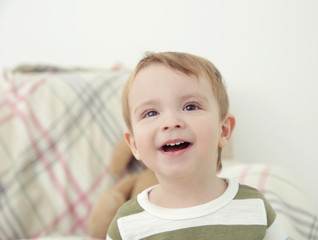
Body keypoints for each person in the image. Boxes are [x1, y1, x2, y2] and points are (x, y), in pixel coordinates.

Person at [106, 51, 287, 240]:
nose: (170, 121)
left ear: (223, 130)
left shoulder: (253, 206)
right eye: (150, 113)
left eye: (190, 107)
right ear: (134, 145)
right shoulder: (127, 224)